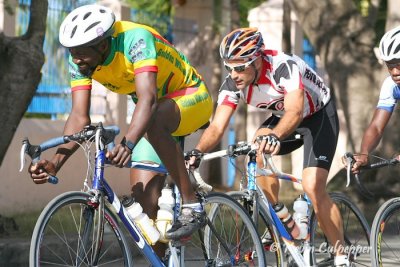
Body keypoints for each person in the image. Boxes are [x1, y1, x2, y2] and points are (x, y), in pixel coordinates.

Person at [28, 4, 213, 246]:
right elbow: (78, 117)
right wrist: (55, 163)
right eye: (71, 52)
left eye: (80, 52)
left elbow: (148, 99)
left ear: (102, 45)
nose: (74, 59)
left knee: (155, 122)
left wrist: (128, 144)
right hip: (153, 115)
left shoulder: (136, 39)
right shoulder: (82, 62)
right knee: (145, 199)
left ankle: (193, 204)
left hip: (189, 96)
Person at [187, 27, 349, 266]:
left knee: (313, 187)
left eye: (240, 67)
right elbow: (217, 127)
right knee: (258, 143)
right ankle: (281, 216)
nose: (234, 74)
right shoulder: (233, 83)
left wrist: (275, 135)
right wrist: (198, 151)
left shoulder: (283, 66)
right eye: (229, 67)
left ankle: (341, 255)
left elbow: (295, 111)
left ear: (258, 60)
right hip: (285, 117)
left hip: (318, 116)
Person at [348, 25, 400, 173]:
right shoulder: (391, 86)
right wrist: (364, 154)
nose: (395, 72)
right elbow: (376, 127)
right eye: (390, 65)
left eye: (399, 64)